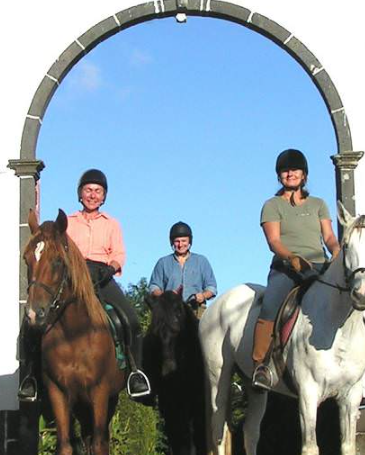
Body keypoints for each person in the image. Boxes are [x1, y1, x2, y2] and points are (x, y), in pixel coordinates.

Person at [18, 169, 151, 401]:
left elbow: (119, 252)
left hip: (102, 275)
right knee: (32, 322)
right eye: (88, 190)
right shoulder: (67, 223)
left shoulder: (112, 224)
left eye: (98, 191)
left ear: (104, 196)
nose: (92, 195)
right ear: (80, 194)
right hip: (73, 277)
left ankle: (135, 372)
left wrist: (111, 267)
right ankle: (30, 377)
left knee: (130, 319)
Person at [251, 149, 340, 391]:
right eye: (285, 170)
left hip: (318, 266)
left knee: (346, 300)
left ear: (304, 175)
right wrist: (292, 258)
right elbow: (274, 241)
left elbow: (329, 236)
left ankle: (352, 372)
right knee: (270, 306)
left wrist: (337, 251)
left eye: (294, 169)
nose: (290, 173)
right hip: (287, 268)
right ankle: (261, 365)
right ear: (279, 176)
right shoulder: (272, 205)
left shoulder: (318, 204)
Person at [148, 221, 217, 318]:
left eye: (184, 241)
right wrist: (166, 295)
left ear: (189, 241)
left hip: (196, 309)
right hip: (170, 310)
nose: (180, 245)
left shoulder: (201, 261)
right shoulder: (163, 262)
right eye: (177, 241)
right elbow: (153, 287)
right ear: (172, 242)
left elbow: (212, 287)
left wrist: (203, 296)